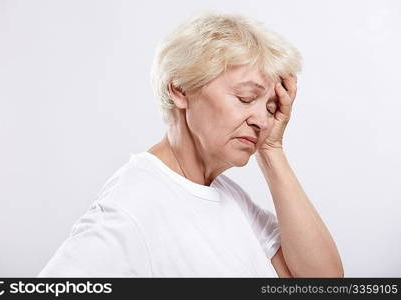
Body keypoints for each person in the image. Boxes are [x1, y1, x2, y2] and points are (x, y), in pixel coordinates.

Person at [38, 11, 344, 277]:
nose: (262, 121)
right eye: (246, 98)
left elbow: (323, 282)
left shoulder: (226, 196)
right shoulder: (132, 207)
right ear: (180, 89)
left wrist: (271, 148)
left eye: (270, 107)